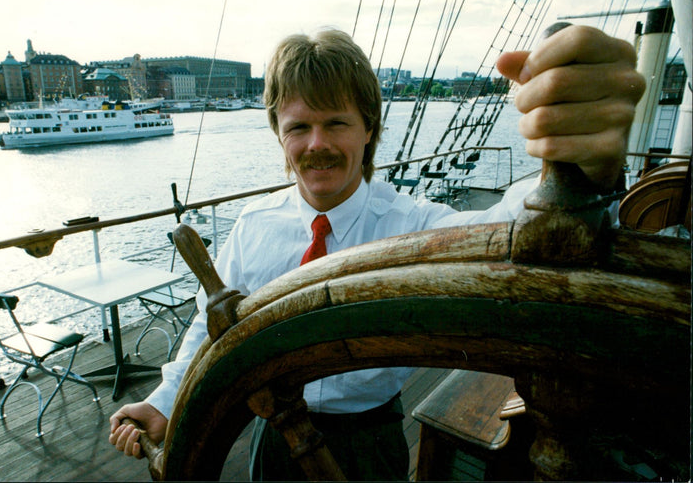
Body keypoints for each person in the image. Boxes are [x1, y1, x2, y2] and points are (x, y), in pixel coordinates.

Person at [109, 26, 644, 480]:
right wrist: (165, 399)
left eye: (336, 122)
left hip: (368, 444)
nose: (316, 142)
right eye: (299, 126)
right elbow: (209, 326)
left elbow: (507, 228)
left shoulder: (412, 227)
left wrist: (585, 169)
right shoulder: (254, 226)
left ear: (369, 128)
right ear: (279, 135)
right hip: (269, 441)